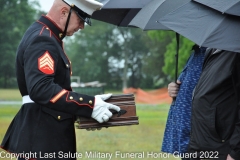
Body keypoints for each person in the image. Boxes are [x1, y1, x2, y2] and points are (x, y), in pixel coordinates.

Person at [0, 0, 120, 159]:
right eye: (81, 19)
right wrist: (89, 105)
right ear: (64, 12)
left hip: (44, 134)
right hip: (43, 138)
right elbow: (41, 89)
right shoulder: (43, 39)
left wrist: (87, 106)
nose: (82, 26)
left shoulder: (46, 35)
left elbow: (54, 90)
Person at [188, 49, 240, 160]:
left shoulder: (235, 51)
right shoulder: (210, 49)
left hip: (221, 147)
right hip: (199, 143)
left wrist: (236, 152)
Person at [161, 45, 207, 159]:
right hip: (187, 136)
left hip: (201, 136)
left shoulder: (219, 53)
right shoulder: (197, 52)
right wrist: (174, 88)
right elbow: (183, 83)